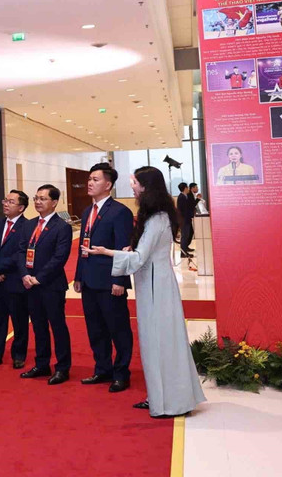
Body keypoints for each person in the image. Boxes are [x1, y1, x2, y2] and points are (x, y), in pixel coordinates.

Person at [87, 166, 206, 418]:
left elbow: (140, 258)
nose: (132, 187)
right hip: (154, 282)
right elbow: (144, 251)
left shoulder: (157, 218)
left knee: (160, 343)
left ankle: (170, 401)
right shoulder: (157, 216)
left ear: (146, 186)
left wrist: (107, 252)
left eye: (135, 183)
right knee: (157, 343)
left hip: (156, 286)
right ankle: (161, 397)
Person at [74, 163, 135, 393]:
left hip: (110, 282)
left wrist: (119, 280)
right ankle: (102, 369)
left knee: (118, 329)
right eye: (89, 178)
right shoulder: (87, 212)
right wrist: (78, 275)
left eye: (95, 179)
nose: (90, 183)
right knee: (95, 328)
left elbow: (123, 249)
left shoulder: (120, 212)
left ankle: (121, 374)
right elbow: (83, 246)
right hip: (89, 280)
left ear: (108, 184)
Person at [17, 184, 72, 385]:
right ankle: (42, 364)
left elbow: (60, 257)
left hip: (50, 285)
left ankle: (62, 368)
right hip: (29, 284)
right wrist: (24, 275)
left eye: (43, 198)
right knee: (38, 327)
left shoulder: (62, 227)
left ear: (54, 202)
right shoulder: (28, 225)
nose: (38, 202)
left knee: (57, 327)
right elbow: (21, 251)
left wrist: (39, 277)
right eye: (36, 198)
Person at [0, 190, 30, 369]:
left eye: (11, 201)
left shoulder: (27, 227)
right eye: (5, 200)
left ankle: (19, 355)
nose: (5, 204)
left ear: (21, 207)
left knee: (19, 320)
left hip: (14, 280)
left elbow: (20, 254)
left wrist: (0, 267)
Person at [176, 183, 195, 257]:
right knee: (184, 236)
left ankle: (185, 250)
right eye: (187, 187)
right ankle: (183, 253)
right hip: (184, 220)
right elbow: (183, 210)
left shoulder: (185, 196)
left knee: (186, 235)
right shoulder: (181, 197)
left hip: (186, 219)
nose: (188, 189)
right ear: (185, 188)